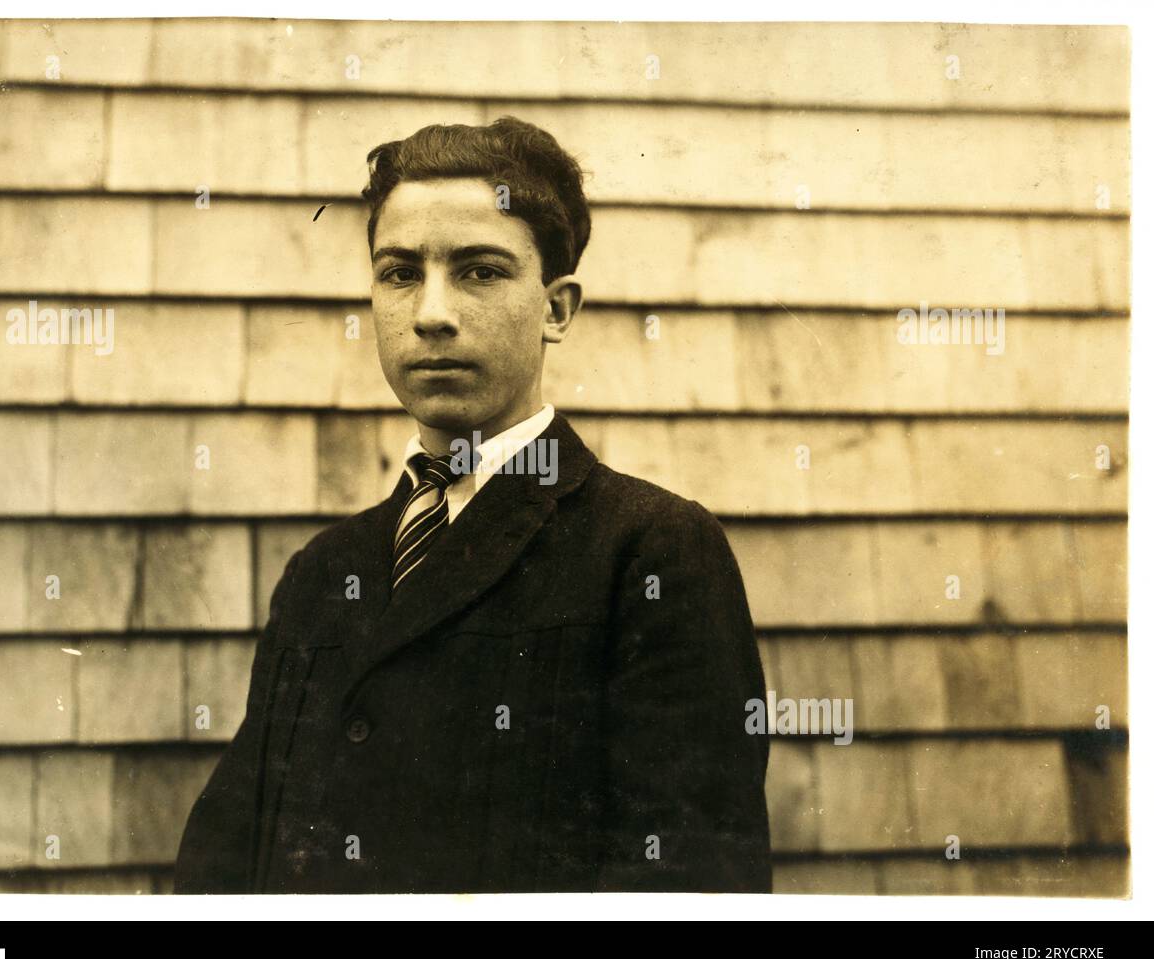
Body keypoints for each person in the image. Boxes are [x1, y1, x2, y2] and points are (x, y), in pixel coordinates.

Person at [174, 116, 772, 893]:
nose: (431, 312)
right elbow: (223, 867)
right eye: (399, 273)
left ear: (557, 309)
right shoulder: (324, 574)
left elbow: (695, 885)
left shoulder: (649, 553)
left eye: (480, 271)